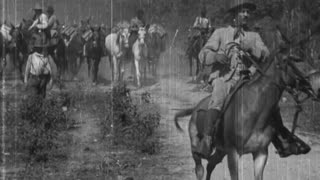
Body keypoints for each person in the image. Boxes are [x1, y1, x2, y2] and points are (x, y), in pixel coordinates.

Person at [196, 0, 310, 158]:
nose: (246, 15)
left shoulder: (253, 35)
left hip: (248, 79)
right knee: (218, 96)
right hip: (224, 78)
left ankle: (284, 142)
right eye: (243, 12)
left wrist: (252, 48)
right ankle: (207, 140)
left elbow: (266, 55)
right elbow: (202, 54)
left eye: (248, 12)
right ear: (234, 15)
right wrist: (216, 56)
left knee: (269, 104)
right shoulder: (220, 33)